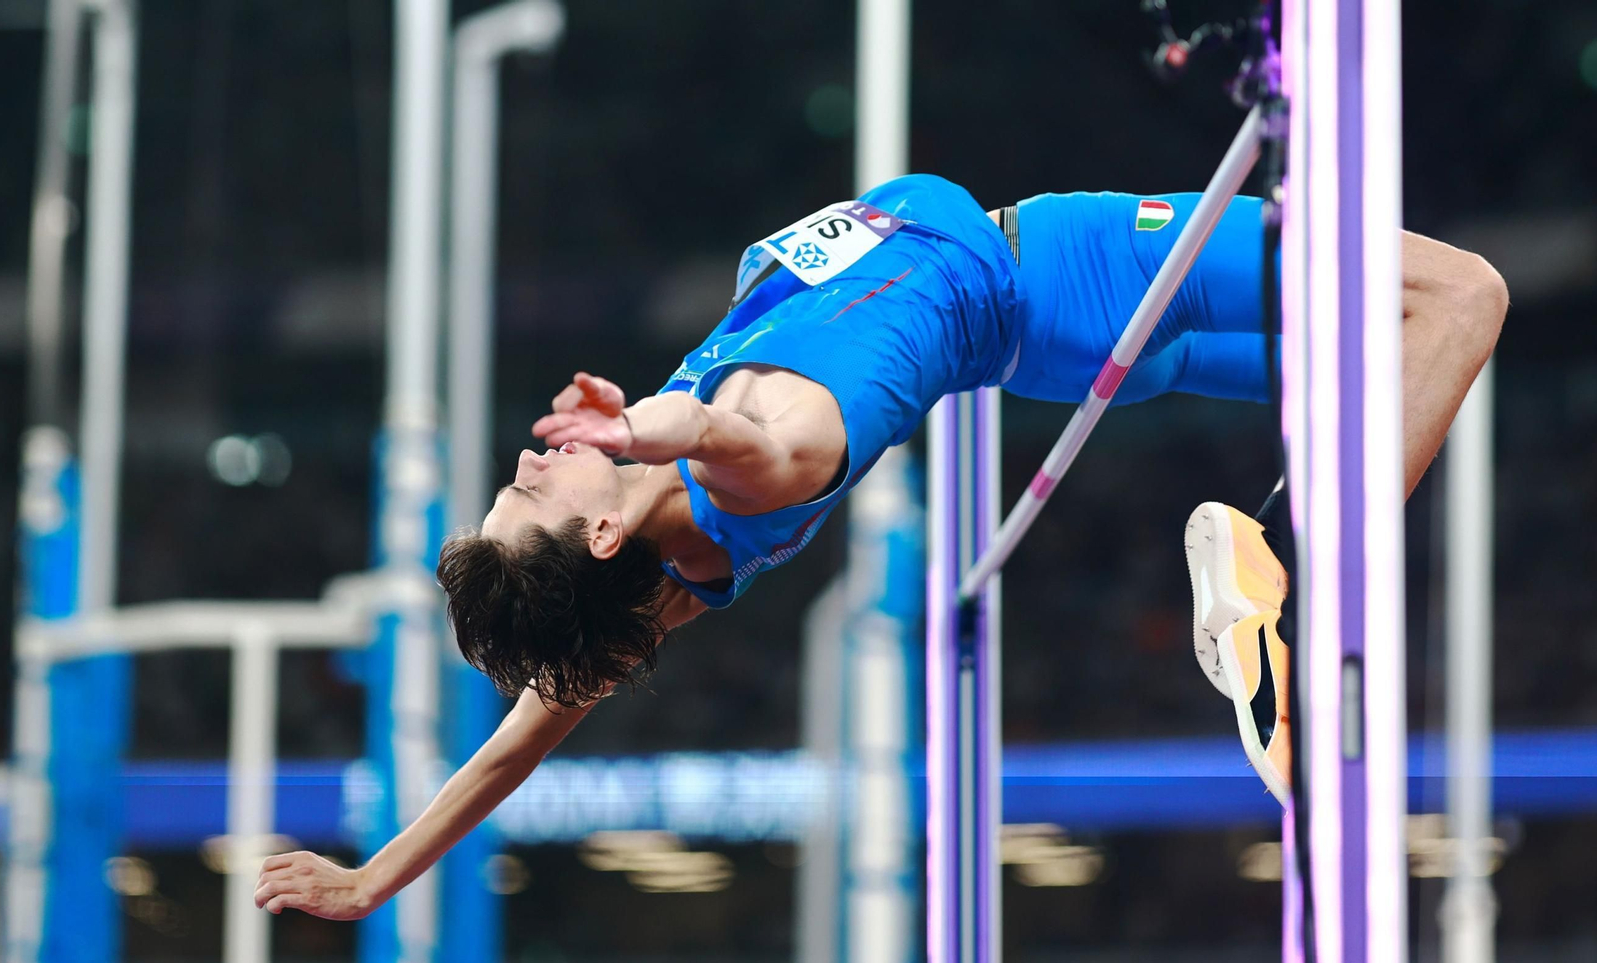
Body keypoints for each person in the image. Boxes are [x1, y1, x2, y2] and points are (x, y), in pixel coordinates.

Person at [252, 174, 1507, 918]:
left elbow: (502, 755)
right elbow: (723, 428)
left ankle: (1275, 570)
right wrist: (636, 427)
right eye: (526, 490)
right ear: (593, 522)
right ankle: (1276, 569)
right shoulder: (762, 451)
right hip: (1072, 271)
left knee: (1392, 363)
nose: (526, 459)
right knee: (1458, 298)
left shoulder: (674, 584)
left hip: (1053, 350)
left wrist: (374, 881)